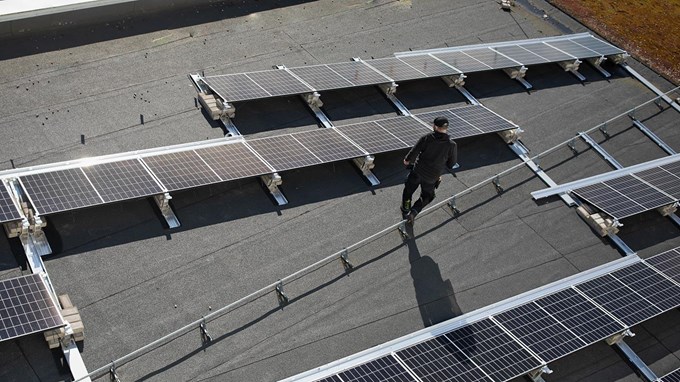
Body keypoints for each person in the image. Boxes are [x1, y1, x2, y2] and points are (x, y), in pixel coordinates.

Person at [401, 116, 458, 224]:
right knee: (428, 196)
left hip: (417, 171)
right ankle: (414, 211)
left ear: (435, 127)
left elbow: (414, 152)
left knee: (408, 190)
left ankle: (406, 209)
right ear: (446, 128)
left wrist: (407, 161)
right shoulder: (452, 145)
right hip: (432, 177)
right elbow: (451, 164)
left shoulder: (427, 138)